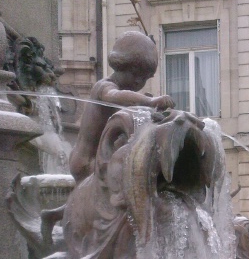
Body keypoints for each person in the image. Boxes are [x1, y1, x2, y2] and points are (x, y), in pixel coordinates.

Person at [69, 31, 175, 183]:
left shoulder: (124, 98)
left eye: (145, 78)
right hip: (87, 162)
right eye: (136, 74)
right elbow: (114, 96)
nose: (139, 82)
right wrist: (149, 102)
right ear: (122, 67)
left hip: (101, 159)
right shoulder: (104, 87)